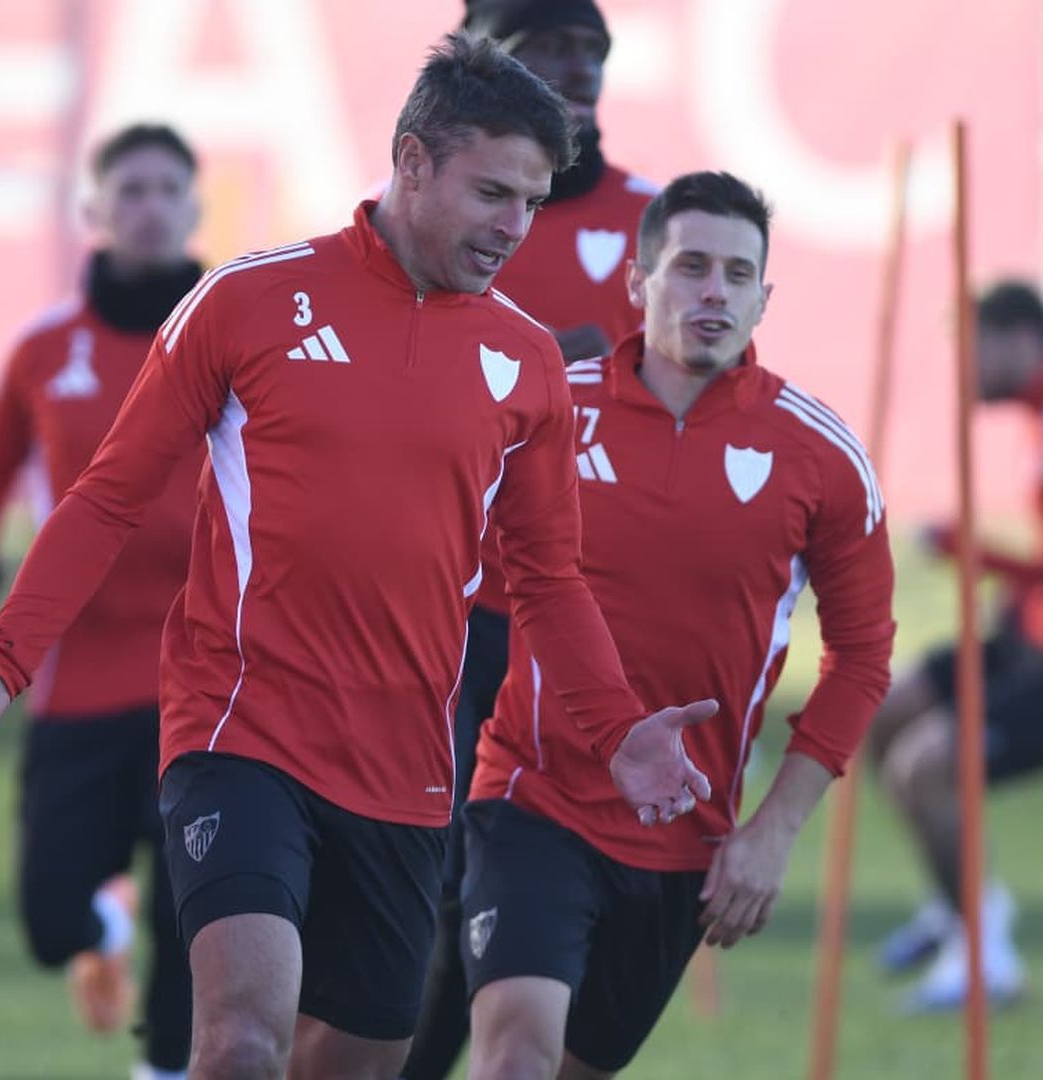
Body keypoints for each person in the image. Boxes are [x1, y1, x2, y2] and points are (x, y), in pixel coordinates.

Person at [0, 34, 717, 1080]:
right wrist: (0, 665)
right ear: (411, 161)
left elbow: (547, 580)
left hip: (408, 771)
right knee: (242, 1043)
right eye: (492, 193)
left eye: (531, 199)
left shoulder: (527, 362)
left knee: (361, 1061)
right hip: (242, 733)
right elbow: (107, 497)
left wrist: (616, 733)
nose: (515, 227)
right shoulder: (248, 303)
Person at [456, 171, 896, 1078]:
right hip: (531, 798)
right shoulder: (547, 408)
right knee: (514, 1060)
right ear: (637, 280)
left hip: (687, 837)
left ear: (764, 297)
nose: (714, 292)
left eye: (739, 275)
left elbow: (862, 659)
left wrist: (771, 834)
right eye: (691, 267)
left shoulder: (821, 456)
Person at [403, 4, 661, 1072]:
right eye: (548, 47)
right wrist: (547, 357)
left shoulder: (659, 224)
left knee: (513, 883)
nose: (578, 69)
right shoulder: (437, 216)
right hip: (445, 609)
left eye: (591, 49)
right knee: (427, 869)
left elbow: (703, 397)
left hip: (579, 621)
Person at [0, 123, 205, 1079]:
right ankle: (103, 926)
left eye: (167, 188)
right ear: (93, 211)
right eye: (129, 188)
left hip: (205, 677)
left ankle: (165, 1065)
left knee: (195, 906)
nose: (149, 205)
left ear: (194, 207)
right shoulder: (46, 348)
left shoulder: (239, 339)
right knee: (48, 923)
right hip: (80, 678)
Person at [865, 280, 1043, 1012]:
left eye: (976, 350)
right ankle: (955, 905)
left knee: (922, 768)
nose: (965, 369)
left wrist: (972, 550)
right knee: (883, 710)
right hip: (1042, 636)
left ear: (1023, 340)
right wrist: (1020, 597)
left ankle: (985, 953)